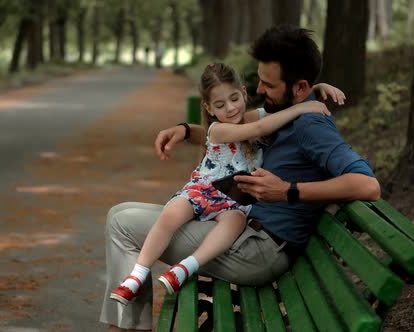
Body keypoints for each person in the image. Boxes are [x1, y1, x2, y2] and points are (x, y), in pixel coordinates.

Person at [100, 24, 380, 332]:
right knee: (122, 214)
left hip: (258, 250)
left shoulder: (310, 125)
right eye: (259, 82)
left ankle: (125, 329)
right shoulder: (286, 109)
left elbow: (368, 185)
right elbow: (228, 130)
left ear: (299, 88)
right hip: (244, 232)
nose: (260, 91)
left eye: (268, 85)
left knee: (121, 224)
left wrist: (289, 191)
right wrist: (182, 130)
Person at [109, 62, 331, 305]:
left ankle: (185, 268)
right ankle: (137, 275)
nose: (231, 108)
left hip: (232, 201)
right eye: (220, 105)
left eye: (234, 98)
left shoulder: (247, 116)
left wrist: (315, 90)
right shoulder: (218, 129)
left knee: (234, 224)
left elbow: (285, 106)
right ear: (209, 108)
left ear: (244, 93)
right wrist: (305, 107)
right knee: (170, 217)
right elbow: (260, 127)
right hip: (203, 191)